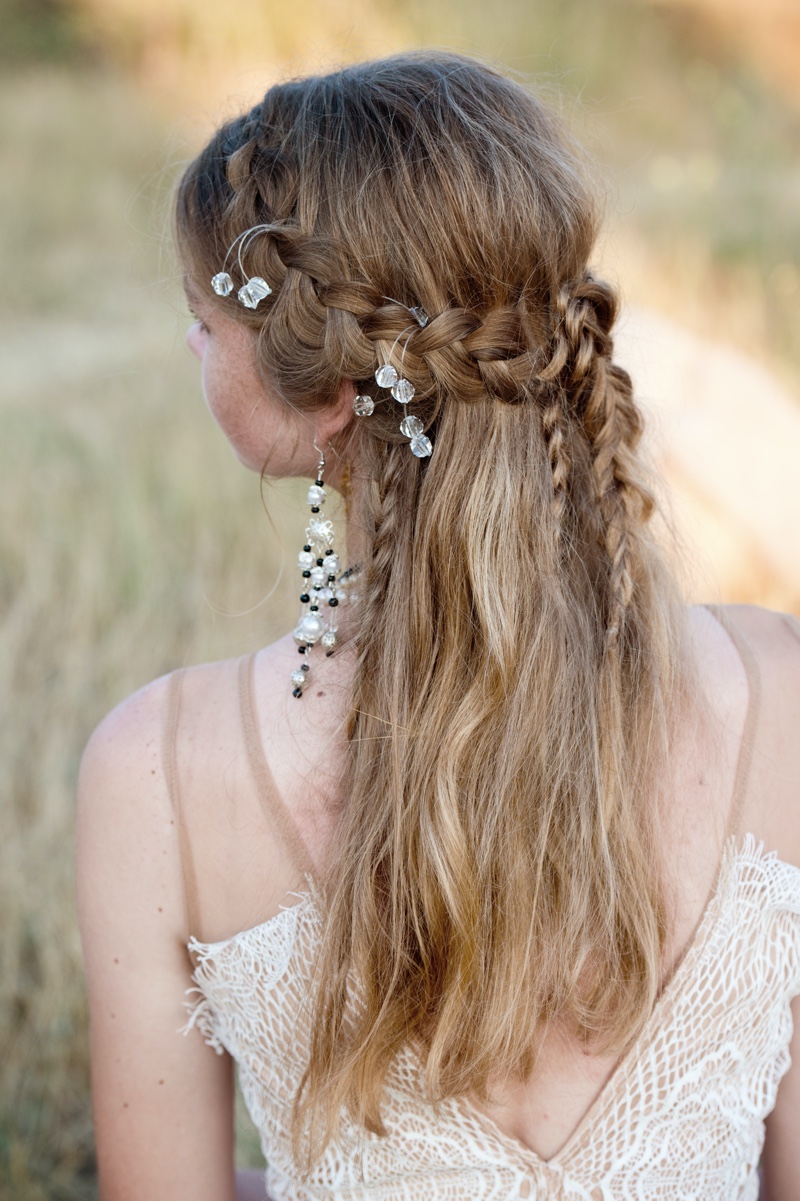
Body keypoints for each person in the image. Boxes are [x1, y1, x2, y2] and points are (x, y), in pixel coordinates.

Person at [76, 51, 800, 1201]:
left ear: (323, 400)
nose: (190, 343)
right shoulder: (779, 693)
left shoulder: (156, 772)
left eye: (203, 319)